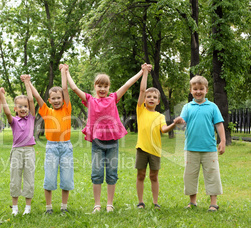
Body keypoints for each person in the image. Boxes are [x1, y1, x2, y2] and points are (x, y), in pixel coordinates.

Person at [67, 66, 144, 213]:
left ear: (109, 87)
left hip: (112, 142)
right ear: (95, 87)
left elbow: (128, 84)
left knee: (112, 172)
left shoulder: (113, 98)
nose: (102, 89)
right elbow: (74, 88)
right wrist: (67, 72)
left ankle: (109, 204)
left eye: (105, 86)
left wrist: (142, 72)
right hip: (97, 143)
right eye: (99, 86)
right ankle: (97, 204)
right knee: (96, 173)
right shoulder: (90, 100)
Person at [174, 75, 225, 212]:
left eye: (201, 89)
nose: (198, 91)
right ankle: (192, 202)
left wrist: (223, 141)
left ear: (206, 90)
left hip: (209, 148)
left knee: (212, 174)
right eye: (195, 89)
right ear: (191, 91)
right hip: (191, 148)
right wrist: (179, 121)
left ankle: (213, 203)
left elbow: (219, 124)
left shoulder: (212, 107)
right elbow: (183, 121)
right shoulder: (187, 107)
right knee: (190, 175)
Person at [28, 64, 74, 215]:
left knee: (66, 179)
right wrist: (28, 82)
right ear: (50, 99)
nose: (56, 100)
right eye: (53, 98)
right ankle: (48, 208)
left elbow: (65, 88)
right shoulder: (47, 111)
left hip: (66, 148)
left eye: (58, 98)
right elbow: (37, 97)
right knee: (49, 178)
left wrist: (63, 72)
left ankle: (64, 206)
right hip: (52, 148)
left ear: (62, 99)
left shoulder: (67, 108)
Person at [135, 63, 176, 210]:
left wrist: (174, 124)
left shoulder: (159, 116)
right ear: (144, 99)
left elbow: (164, 130)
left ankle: (155, 202)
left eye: (154, 97)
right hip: (142, 149)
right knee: (141, 175)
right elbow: (141, 90)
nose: (151, 99)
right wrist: (145, 72)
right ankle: (140, 202)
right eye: (148, 96)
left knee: (153, 176)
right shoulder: (140, 110)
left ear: (158, 101)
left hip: (155, 151)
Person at [0, 82, 36, 216]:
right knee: (15, 179)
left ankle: (27, 207)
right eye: (20, 106)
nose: (23, 108)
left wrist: (27, 83)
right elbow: (6, 111)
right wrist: (2, 96)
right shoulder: (13, 121)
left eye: (25, 106)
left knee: (29, 178)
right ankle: (15, 207)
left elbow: (31, 99)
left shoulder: (31, 118)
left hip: (29, 151)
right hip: (17, 152)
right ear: (16, 108)